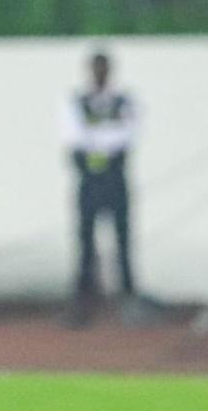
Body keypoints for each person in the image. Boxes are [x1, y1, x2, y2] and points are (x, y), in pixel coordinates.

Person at [60, 51, 153, 327]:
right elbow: (74, 137)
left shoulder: (124, 102)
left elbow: (129, 135)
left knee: (122, 240)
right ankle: (84, 299)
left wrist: (101, 146)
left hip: (115, 177)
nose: (100, 73)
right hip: (89, 179)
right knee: (85, 242)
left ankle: (128, 297)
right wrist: (102, 146)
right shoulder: (77, 102)